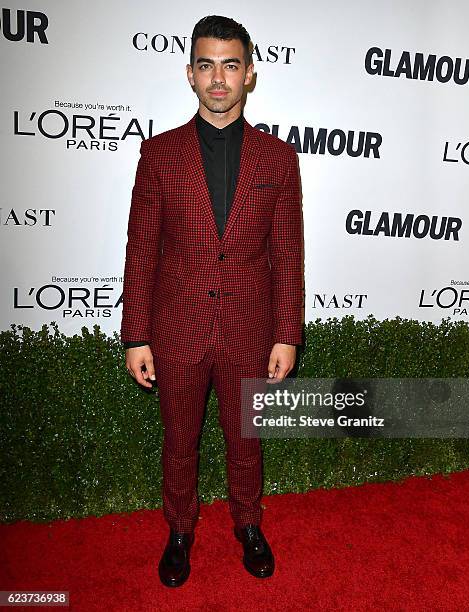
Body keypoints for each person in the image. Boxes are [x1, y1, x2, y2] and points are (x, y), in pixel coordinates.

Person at [121, 14, 304, 587]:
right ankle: (179, 530)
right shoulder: (160, 153)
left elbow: (288, 253)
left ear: (250, 74)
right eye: (207, 65)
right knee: (179, 439)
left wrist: (287, 333)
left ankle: (248, 524)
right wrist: (136, 335)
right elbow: (141, 246)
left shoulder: (278, 158)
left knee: (246, 437)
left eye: (230, 65)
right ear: (190, 74)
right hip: (177, 325)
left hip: (250, 324)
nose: (218, 78)